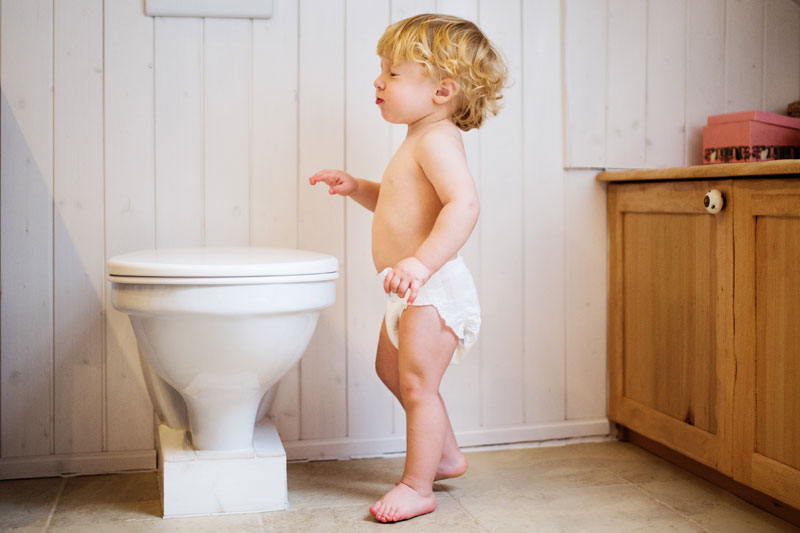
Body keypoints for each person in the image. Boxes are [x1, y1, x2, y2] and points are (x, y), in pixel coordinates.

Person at [308, 13, 507, 523]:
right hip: (410, 288)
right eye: (382, 70)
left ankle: (418, 485)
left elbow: (463, 206)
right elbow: (403, 204)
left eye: (393, 73)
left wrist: (420, 264)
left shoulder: (437, 140)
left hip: (433, 286)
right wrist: (359, 188)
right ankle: (445, 454)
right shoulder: (418, 139)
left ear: (442, 91)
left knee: (418, 386)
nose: (378, 80)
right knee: (391, 371)